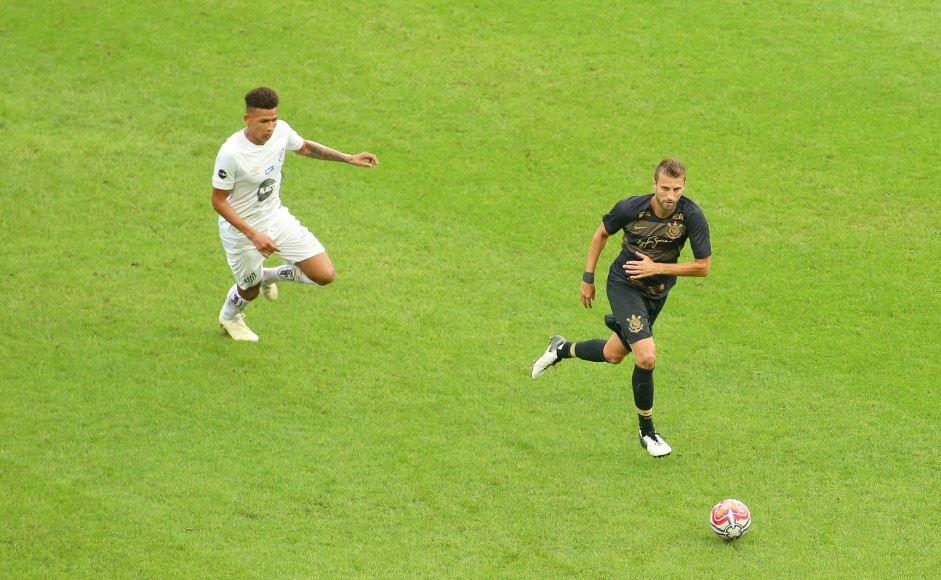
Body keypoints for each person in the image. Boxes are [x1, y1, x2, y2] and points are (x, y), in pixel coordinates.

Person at [531, 158, 711, 458]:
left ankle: (560, 349)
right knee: (647, 357)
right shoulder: (631, 208)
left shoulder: (691, 215)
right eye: (665, 188)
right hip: (624, 285)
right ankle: (647, 431)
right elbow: (602, 233)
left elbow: (703, 267)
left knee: (614, 355)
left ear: (684, 187)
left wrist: (658, 267)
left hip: (656, 294)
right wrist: (588, 277)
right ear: (654, 184)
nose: (670, 195)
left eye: (677, 189)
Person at [212, 87, 378, 341]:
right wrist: (253, 235)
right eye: (263, 121)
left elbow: (305, 148)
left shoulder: (281, 132)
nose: (270, 127)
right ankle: (230, 317)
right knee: (249, 290)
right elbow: (219, 201)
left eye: (274, 119)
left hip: (275, 218)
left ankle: (268, 275)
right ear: (248, 119)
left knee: (324, 275)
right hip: (242, 232)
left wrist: (347, 158)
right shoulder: (231, 153)